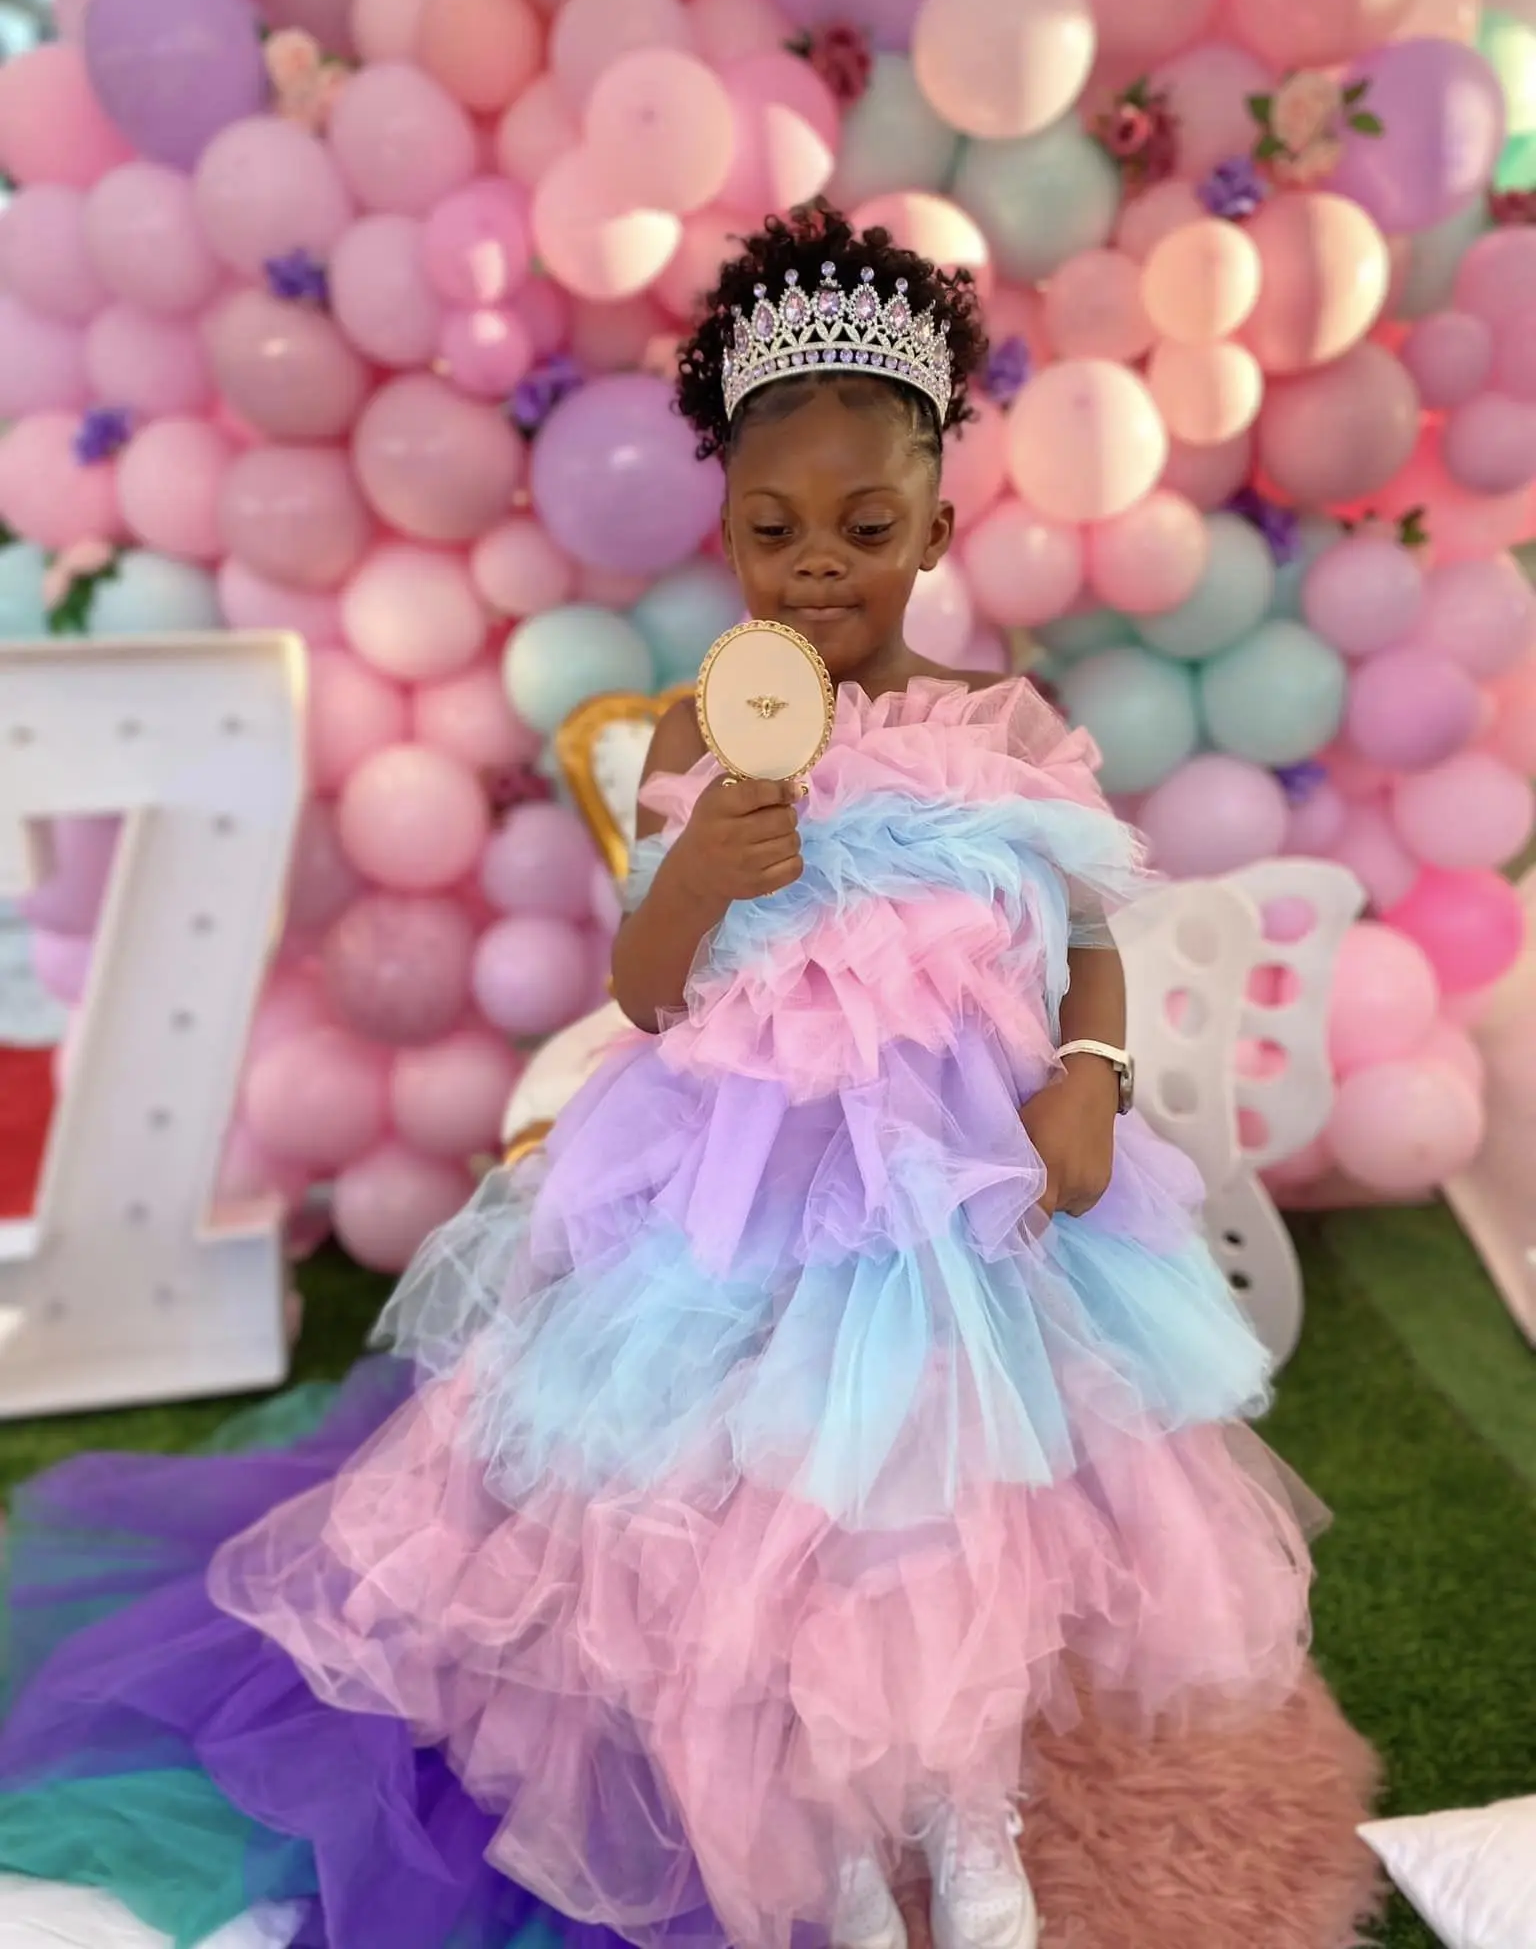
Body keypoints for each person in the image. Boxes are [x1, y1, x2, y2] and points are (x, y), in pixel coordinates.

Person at [0, 205, 1313, 1949]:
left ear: (939, 519)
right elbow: (648, 988)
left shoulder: (1003, 726)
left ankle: (969, 1811)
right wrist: (706, 871)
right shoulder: (707, 728)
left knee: (965, 1505)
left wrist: (1088, 1073)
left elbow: (1083, 934)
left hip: (976, 1186)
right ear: (728, 537)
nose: (819, 567)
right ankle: (835, 1836)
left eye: (864, 524)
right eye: (775, 534)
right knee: (778, 1521)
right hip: (755, 1190)